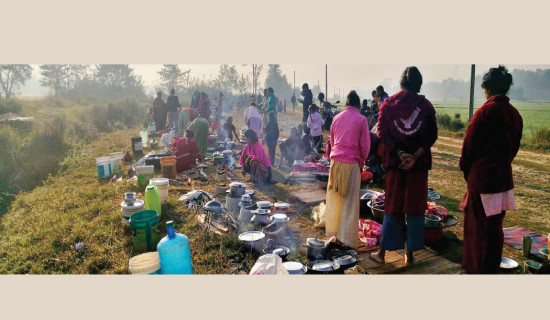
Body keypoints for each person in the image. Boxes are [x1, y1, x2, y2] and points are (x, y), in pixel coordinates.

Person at [370, 67, 438, 266]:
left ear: (401, 83)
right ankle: (410, 255)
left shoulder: (388, 105)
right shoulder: (425, 106)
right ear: (419, 84)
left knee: (393, 206)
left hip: (395, 165)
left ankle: (382, 254)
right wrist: (415, 156)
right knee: (415, 208)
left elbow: (382, 132)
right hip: (418, 167)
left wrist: (399, 153)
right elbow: (432, 135)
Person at [459, 65, 523, 274]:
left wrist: (468, 171)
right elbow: (513, 148)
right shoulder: (514, 115)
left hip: (482, 182)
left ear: (487, 88)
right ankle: (491, 268)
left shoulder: (485, 112)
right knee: (495, 229)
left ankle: (475, 270)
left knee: (477, 231)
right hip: (502, 180)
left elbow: (468, 148)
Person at [325, 90, 370, 249]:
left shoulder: (336, 118)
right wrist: (362, 161)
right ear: (358, 105)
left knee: (335, 199)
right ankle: (347, 241)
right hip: (351, 163)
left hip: (335, 163)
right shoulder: (362, 119)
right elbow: (365, 146)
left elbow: (331, 141)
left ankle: (334, 234)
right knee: (350, 203)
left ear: (346, 104)